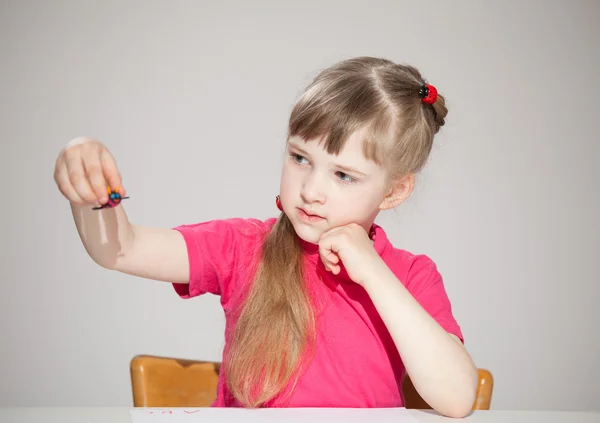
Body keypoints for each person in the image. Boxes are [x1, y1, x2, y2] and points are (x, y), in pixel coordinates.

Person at [53, 56, 478, 417]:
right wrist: (88, 185)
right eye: (300, 158)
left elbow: (457, 399)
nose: (311, 189)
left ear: (394, 190)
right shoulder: (241, 247)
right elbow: (121, 250)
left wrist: (373, 272)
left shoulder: (410, 275)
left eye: (344, 175)